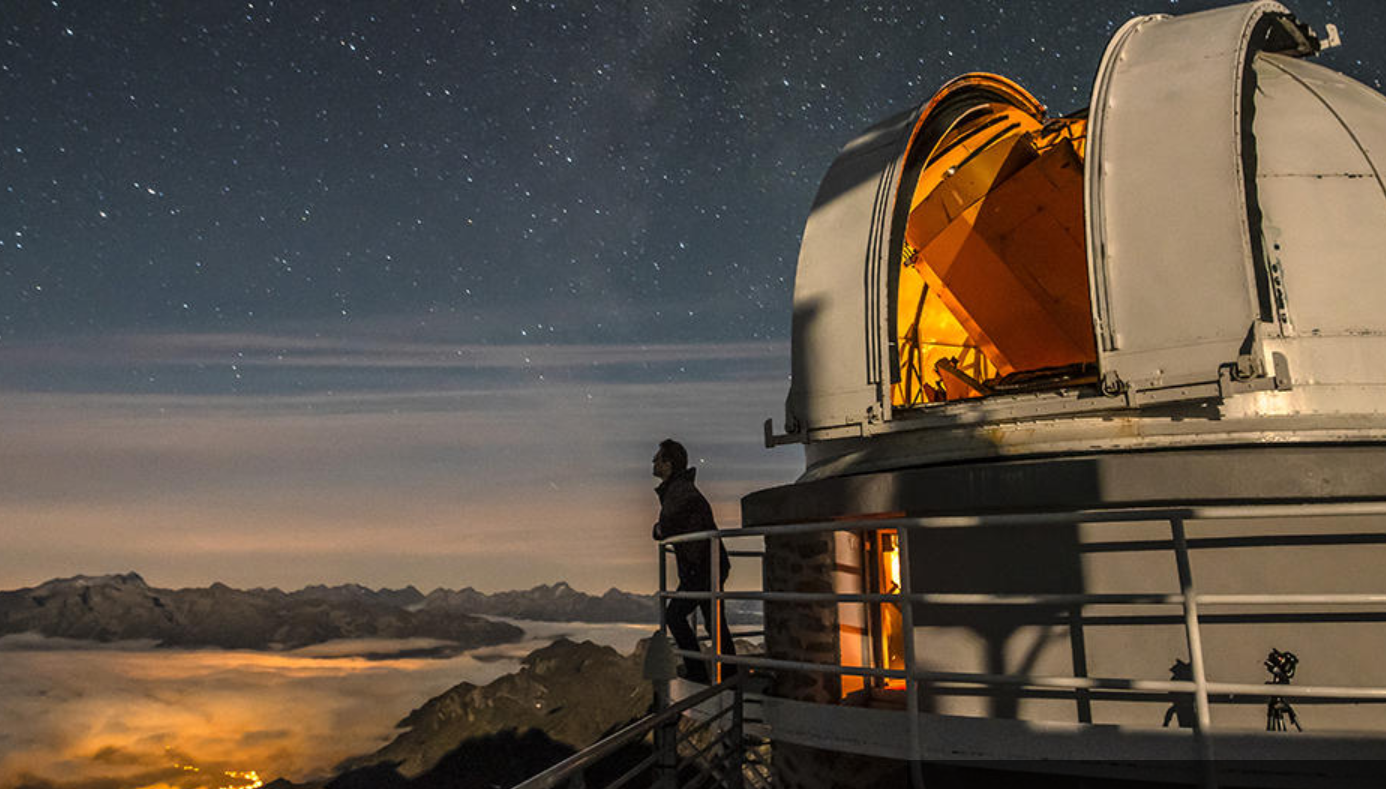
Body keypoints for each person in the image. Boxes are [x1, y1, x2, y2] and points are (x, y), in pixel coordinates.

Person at [651, 438, 736, 683]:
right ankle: (730, 674)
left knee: (675, 616)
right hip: (707, 565)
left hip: (700, 568)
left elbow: (668, 527)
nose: (653, 462)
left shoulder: (678, 492)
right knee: (714, 622)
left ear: (668, 464)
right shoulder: (679, 489)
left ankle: (698, 673)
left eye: (658, 458)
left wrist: (658, 530)